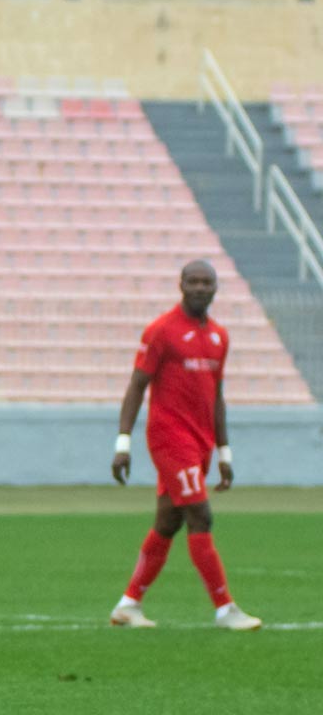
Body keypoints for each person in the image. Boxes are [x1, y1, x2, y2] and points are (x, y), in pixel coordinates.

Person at [109, 260, 260, 631]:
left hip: (201, 442)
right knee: (201, 516)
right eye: (191, 281)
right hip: (168, 438)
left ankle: (128, 605)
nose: (198, 287)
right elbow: (136, 386)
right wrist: (123, 442)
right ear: (180, 285)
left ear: (215, 289)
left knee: (168, 519)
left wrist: (224, 452)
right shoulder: (161, 331)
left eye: (205, 282)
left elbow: (216, 397)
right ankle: (225, 608)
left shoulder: (220, 337)